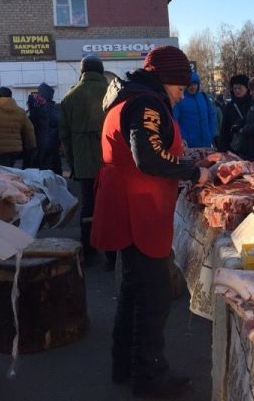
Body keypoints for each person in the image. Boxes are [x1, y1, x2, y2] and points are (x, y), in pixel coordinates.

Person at [90, 46, 210, 399]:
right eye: (179, 85)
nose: (181, 93)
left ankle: (124, 364)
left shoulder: (133, 96)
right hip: (138, 206)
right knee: (153, 296)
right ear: (167, 78)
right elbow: (148, 156)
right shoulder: (145, 102)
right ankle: (149, 375)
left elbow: (146, 148)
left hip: (127, 202)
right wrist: (195, 172)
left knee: (133, 289)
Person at [59, 57, 113, 268]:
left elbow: (64, 136)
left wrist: (73, 164)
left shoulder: (69, 97)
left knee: (88, 206)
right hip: (111, 162)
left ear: (82, 72)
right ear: (101, 72)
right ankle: (113, 254)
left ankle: (89, 252)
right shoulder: (112, 93)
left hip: (83, 162)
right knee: (110, 206)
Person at [172, 71, 218, 148]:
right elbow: (175, 120)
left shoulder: (204, 97)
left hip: (207, 142)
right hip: (188, 144)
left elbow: (212, 116)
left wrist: (212, 134)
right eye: (190, 85)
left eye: (195, 84)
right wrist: (183, 137)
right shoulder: (180, 99)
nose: (193, 87)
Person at [27, 82, 62, 174]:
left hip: (42, 145)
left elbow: (32, 121)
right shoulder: (54, 109)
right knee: (54, 170)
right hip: (53, 144)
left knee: (44, 171)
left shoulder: (41, 109)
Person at [219, 74, 253, 153]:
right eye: (235, 88)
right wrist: (223, 148)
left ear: (246, 88)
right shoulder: (229, 106)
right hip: (235, 147)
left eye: (240, 88)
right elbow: (225, 128)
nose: (237, 90)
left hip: (252, 147)